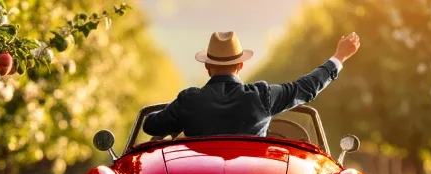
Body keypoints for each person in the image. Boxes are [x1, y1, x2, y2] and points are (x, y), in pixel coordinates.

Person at [142, 30, 360, 140]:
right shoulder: (261, 96)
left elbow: (151, 126)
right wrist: (338, 57)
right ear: (240, 65)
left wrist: (177, 115)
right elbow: (305, 88)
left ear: (207, 67)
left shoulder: (189, 100)